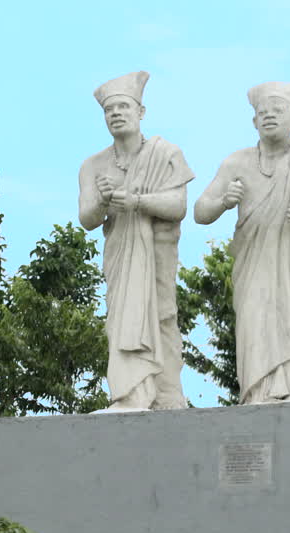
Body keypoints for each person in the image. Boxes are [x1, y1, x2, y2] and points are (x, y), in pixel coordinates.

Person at [194, 82, 290, 404]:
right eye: (263, 113)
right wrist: (223, 202)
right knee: (255, 320)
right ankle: (257, 391)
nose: (269, 117)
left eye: (278, 111)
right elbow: (200, 213)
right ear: (254, 122)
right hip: (253, 261)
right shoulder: (237, 162)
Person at [79, 71, 194, 410]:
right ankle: (130, 394)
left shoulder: (166, 153)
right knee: (122, 321)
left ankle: (168, 395)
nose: (116, 113)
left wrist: (137, 202)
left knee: (162, 318)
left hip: (157, 252)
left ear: (140, 112)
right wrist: (103, 201)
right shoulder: (93, 165)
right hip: (121, 255)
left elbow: (178, 206)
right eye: (109, 109)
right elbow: (87, 219)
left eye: (123, 106)